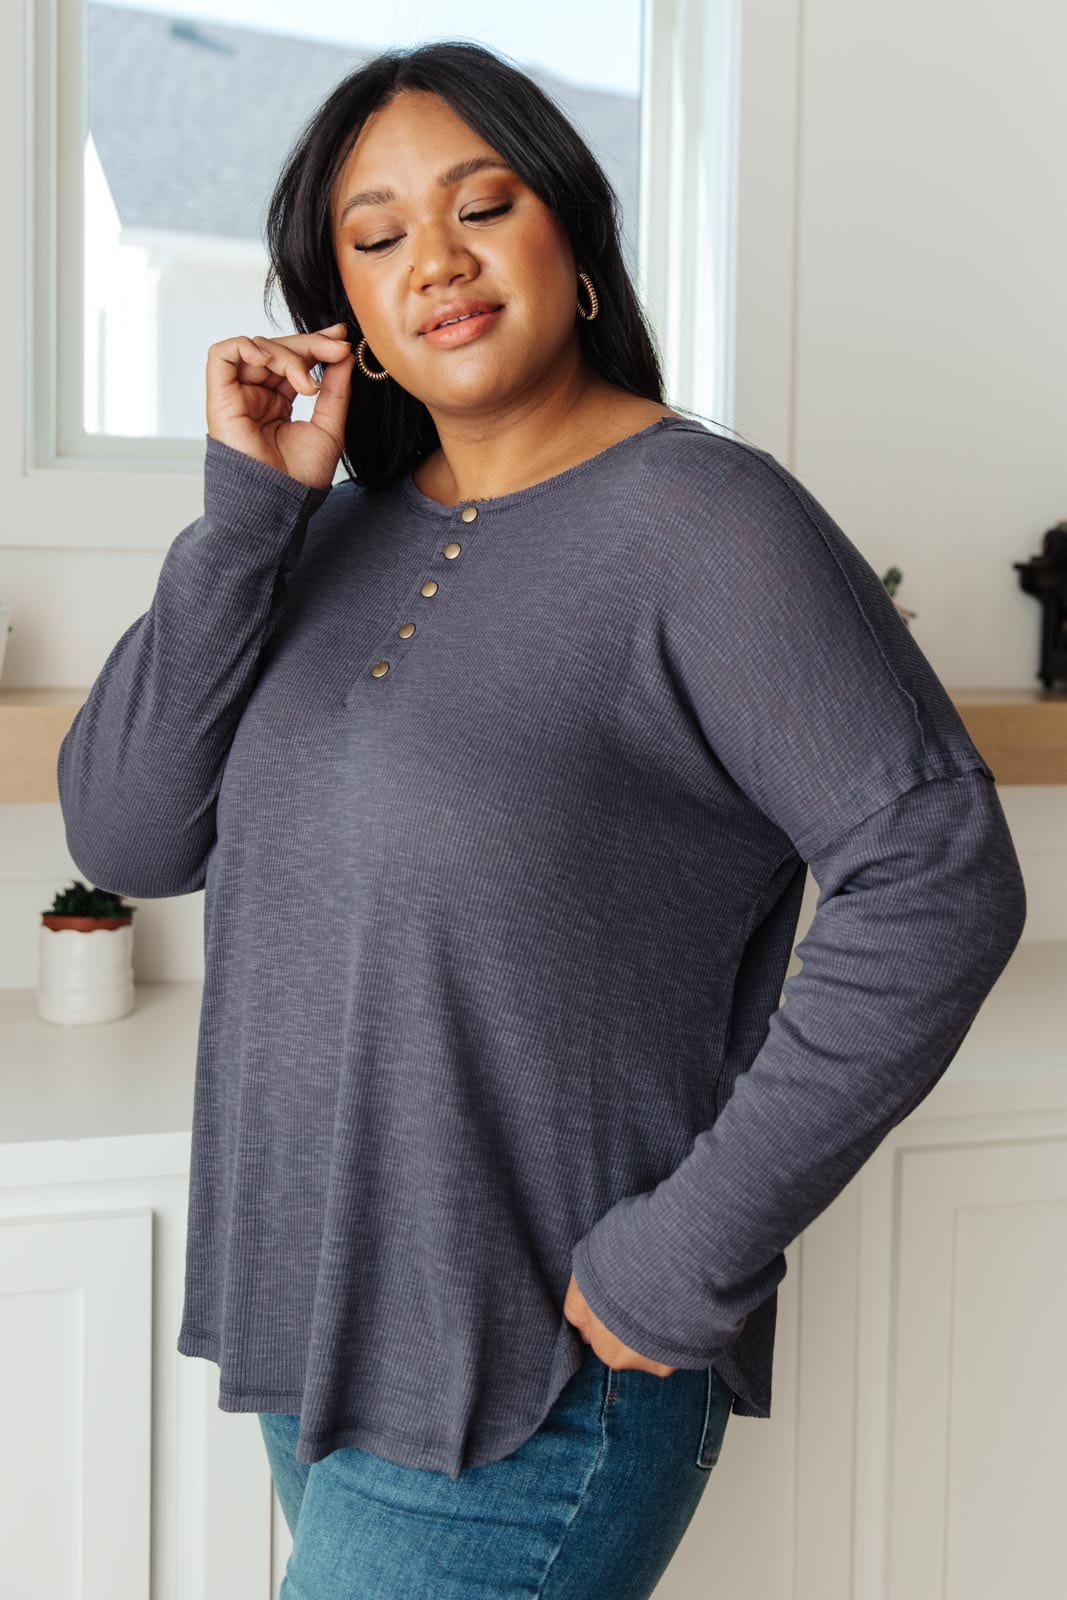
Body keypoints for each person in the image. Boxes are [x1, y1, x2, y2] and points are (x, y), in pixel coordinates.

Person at [56, 39, 1027, 1600]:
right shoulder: (322, 534)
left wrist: (683, 1253)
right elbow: (127, 835)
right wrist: (248, 515)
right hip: (317, 1334)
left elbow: (939, 879)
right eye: (377, 237)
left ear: (572, 239)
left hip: (534, 1378)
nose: (434, 260)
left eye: (482, 205)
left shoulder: (712, 521)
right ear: (343, 312)